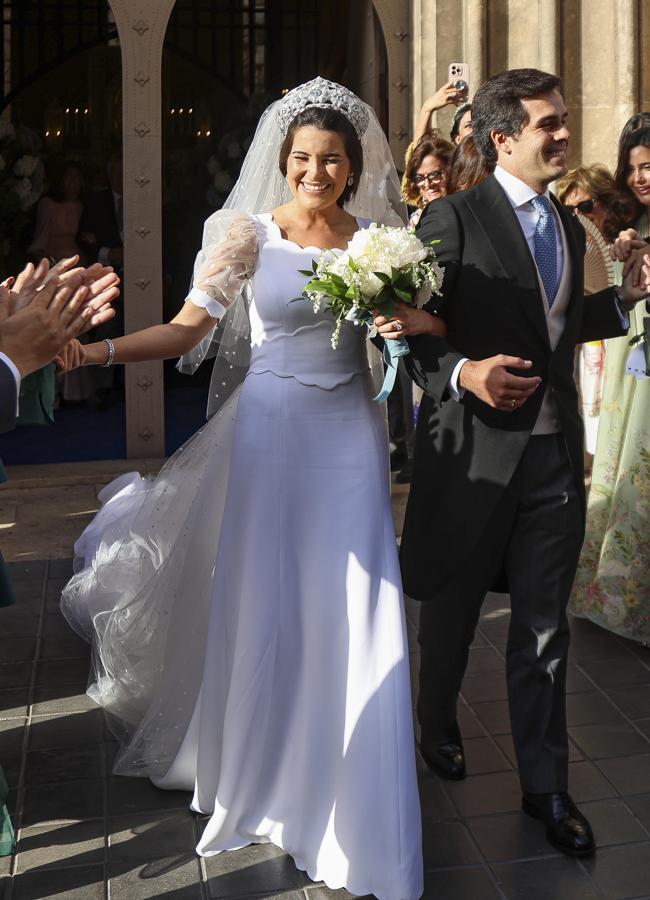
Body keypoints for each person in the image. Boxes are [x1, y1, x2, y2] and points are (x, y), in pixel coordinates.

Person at [58, 78, 432, 900]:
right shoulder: (245, 235)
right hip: (270, 432)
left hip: (349, 436)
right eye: (303, 157)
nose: (316, 171)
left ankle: (353, 789)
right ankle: (259, 772)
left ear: (352, 164)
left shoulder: (380, 239)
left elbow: (422, 323)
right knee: (266, 594)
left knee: (358, 599)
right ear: (284, 160)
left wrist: (414, 324)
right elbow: (188, 330)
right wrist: (99, 354)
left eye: (331, 159)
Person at [374, 68, 650, 859]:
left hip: (554, 463)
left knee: (542, 633)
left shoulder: (567, 227)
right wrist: (464, 373)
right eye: (548, 124)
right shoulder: (450, 218)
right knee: (454, 621)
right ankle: (435, 724)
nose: (563, 133)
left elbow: (552, 330)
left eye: (563, 119)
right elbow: (406, 331)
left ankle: (547, 787)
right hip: (471, 462)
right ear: (502, 138)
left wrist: (625, 299)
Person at [570, 126, 650, 643]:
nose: (640, 177)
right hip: (635, 369)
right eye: (634, 168)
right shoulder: (630, 223)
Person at [77, 155, 124, 407]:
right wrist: (108, 254)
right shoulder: (96, 202)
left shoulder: (147, 197)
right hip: (106, 276)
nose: (121, 176)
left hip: (141, 278)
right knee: (107, 328)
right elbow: (83, 238)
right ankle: (103, 388)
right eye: (116, 171)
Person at [555, 163, 633, 242]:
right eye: (569, 209)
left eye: (585, 206)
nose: (577, 214)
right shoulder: (564, 250)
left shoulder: (627, 243)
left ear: (606, 203)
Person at [402, 133, 454, 226]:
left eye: (434, 175)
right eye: (419, 178)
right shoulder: (417, 220)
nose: (427, 184)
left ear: (451, 170)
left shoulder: (463, 210)